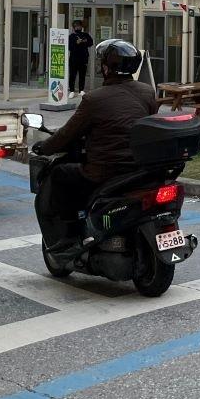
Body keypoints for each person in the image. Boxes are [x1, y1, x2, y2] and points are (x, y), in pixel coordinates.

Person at [34, 39, 158, 248]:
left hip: (104, 171)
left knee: (59, 174)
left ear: (107, 67)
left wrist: (44, 147)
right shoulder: (147, 92)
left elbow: (67, 134)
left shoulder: (94, 99)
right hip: (139, 168)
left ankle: (69, 233)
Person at [68, 21, 94, 98]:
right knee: (72, 75)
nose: (77, 27)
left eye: (79, 26)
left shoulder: (85, 35)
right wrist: (76, 43)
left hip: (83, 58)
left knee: (82, 75)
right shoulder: (71, 36)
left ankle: (81, 90)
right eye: (76, 26)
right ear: (74, 27)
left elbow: (91, 43)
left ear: (81, 27)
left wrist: (84, 41)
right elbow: (70, 47)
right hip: (74, 59)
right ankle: (72, 90)